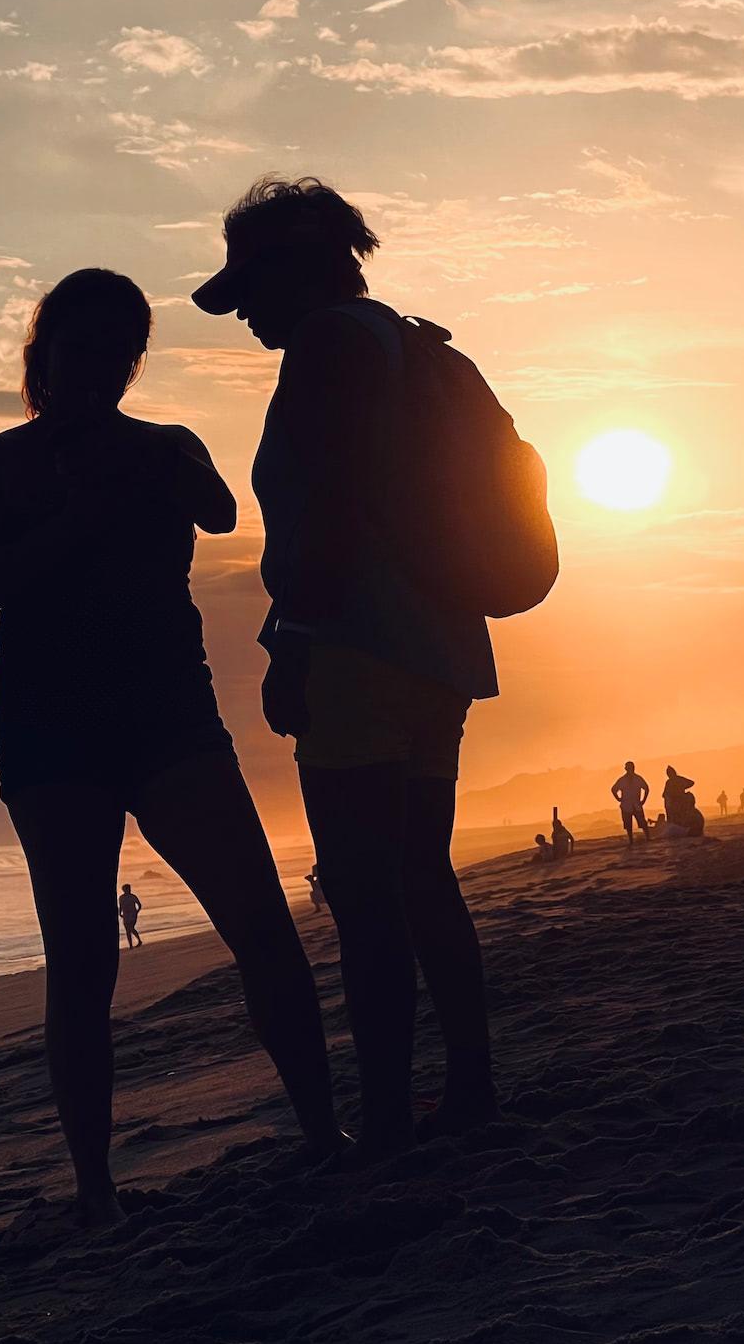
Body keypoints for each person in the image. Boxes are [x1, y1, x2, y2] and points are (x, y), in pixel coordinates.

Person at [0, 269, 343, 1228]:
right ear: (43, 354)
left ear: (131, 363)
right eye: (74, 347)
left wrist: (148, 471)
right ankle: (95, 1191)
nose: (93, 367)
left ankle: (325, 1135)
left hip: (169, 711)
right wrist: (74, 519)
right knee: (81, 962)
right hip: (48, 727)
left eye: (115, 350)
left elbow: (220, 512)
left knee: (260, 925)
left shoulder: (164, 445)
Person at [193, 175, 514, 1157]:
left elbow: (329, 504)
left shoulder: (330, 350)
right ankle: (469, 1086)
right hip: (443, 649)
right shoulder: (413, 343)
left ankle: (382, 1118)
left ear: (299, 267)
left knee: (366, 889)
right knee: (421, 876)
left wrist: (292, 642)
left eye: (250, 286)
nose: (243, 309)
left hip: (356, 648)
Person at [611, 761, 652, 843]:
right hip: (626, 806)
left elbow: (646, 788)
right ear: (626, 769)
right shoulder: (622, 780)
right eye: (629, 768)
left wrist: (643, 800)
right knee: (628, 825)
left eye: (631, 768)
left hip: (636, 804)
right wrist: (618, 798)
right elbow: (613, 789)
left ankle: (648, 838)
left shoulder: (638, 779)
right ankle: (631, 841)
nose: (630, 769)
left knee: (642, 823)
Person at [662, 765, 704, 837]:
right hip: (680, 800)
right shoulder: (679, 779)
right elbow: (691, 782)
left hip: (677, 801)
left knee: (674, 815)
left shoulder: (670, 782)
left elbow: (665, 794)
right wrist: (683, 787)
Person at [117, 883, 142, 950]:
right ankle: (130, 945)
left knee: (131, 928)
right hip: (125, 915)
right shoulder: (121, 897)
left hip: (132, 915)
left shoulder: (133, 896)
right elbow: (121, 906)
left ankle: (139, 941)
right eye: (127, 889)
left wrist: (136, 912)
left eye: (129, 889)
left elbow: (139, 905)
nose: (129, 890)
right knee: (127, 930)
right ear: (124, 890)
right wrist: (120, 913)